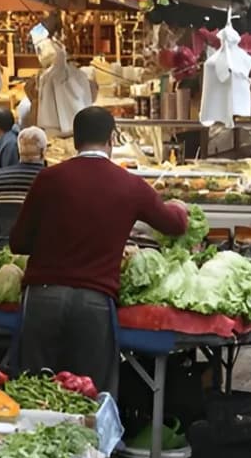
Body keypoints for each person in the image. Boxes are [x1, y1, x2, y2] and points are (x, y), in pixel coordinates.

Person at [11, 107, 188, 395]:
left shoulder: (49, 178)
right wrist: (180, 208)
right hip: (94, 301)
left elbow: (18, 242)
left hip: (42, 298)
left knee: (33, 391)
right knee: (90, 394)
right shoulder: (130, 184)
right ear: (112, 139)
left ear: (75, 140)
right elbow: (174, 225)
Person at [0, 126, 47, 252]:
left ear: (19, 150)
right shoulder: (53, 180)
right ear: (43, 151)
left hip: (6, 249)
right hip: (43, 251)